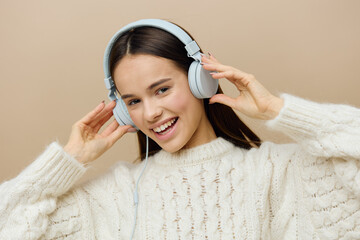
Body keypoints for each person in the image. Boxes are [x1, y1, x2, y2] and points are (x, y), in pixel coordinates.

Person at [0, 19, 360, 240]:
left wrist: (277, 109)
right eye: (134, 101)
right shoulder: (114, 197)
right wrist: (67, 161)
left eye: (161, 89)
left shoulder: (278, 173)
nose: (152, 113)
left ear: (200, 80)